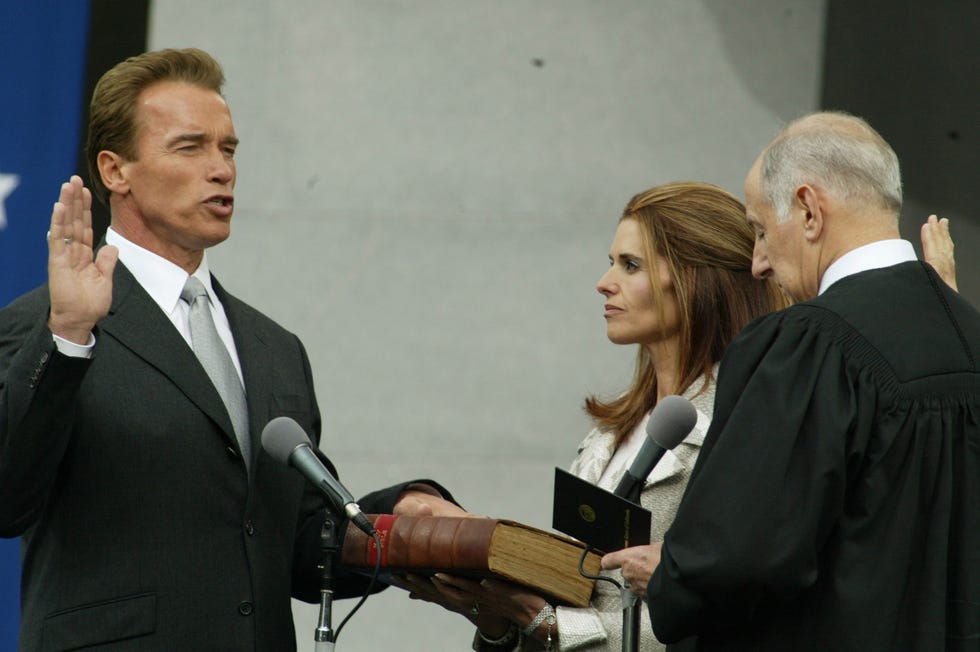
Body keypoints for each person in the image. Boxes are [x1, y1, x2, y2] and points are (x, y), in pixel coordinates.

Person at [0, 48, 462, 651]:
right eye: (190, 148)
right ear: (116, 171)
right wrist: (67, 339)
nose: (221, 170)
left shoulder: (274, 348)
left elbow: (291, 544)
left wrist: (397, 516)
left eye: (229, 149)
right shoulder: (45, 325)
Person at [604, 111, 979, 651]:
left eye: (758, 229)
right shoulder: (969, 332)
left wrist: (672, 575)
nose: (757, 264)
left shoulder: (809, 345)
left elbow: (740, 558)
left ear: (808, 210)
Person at [400, 181, 788, 651]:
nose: (604, 283)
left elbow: (720, 614)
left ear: (693, 280)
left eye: (630, 266)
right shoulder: (613, 428)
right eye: (611, 263)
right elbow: (575, 596)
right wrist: (493, 611)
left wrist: (546, 624)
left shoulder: (744, 423)